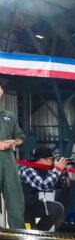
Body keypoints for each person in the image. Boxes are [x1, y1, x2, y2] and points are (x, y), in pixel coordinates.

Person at [20, 146, 69, 231]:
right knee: (29, 232)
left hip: (32, 205)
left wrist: (63, 174)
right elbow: (43, 185)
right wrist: (57, 169)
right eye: (52, 159)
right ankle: (34, 233)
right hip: (22, 208)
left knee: (56, 208)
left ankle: (40, 233)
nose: (53, 162)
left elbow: (56, 185)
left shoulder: (42, 170)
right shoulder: (26, 169)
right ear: (43, 160)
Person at [0, 83, 26, 228]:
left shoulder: (9, 116)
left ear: (2, 91)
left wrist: (14, 142)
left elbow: (20, 137)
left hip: (9, 161)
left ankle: (19, 236)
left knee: (15, 199)